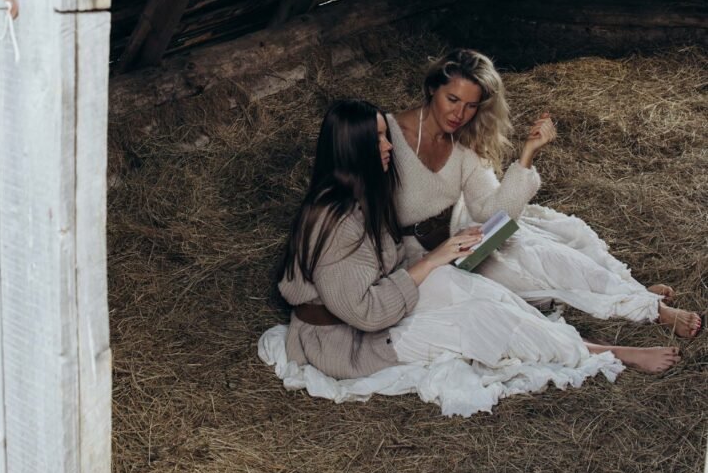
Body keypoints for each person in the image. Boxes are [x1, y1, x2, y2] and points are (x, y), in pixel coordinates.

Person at [267, 99, 680, 418]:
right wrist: (432, 260)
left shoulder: (365, 194)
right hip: (348, 343)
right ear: (351, 150)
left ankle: (590, 330)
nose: (388, 145)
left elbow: (386, 266)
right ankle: (605, 352)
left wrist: (447, 255)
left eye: (385, 135)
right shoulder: (336, 221)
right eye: (376, 140)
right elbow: (366, 314)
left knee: (465, 285)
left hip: (375, 308)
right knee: (477, 318)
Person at [388, 48, 701, 340]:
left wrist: (527, 155)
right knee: (518, 289)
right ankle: (637, 302)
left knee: (549, 258)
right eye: (452, 99)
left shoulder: (465, 140)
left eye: (471, 105)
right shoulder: (386, 137)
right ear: (432, 88)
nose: (459, 113)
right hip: (416, 259)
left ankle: (645, 301)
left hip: (464, 240)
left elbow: (489, 212)